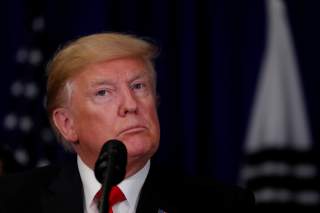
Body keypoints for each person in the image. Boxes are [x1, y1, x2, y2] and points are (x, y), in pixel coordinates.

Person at [0, 32, 255, 212]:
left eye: (138, 86)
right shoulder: (11, 200)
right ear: (67, 123)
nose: (131, 105)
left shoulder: (223, 205)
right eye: (103, 92)